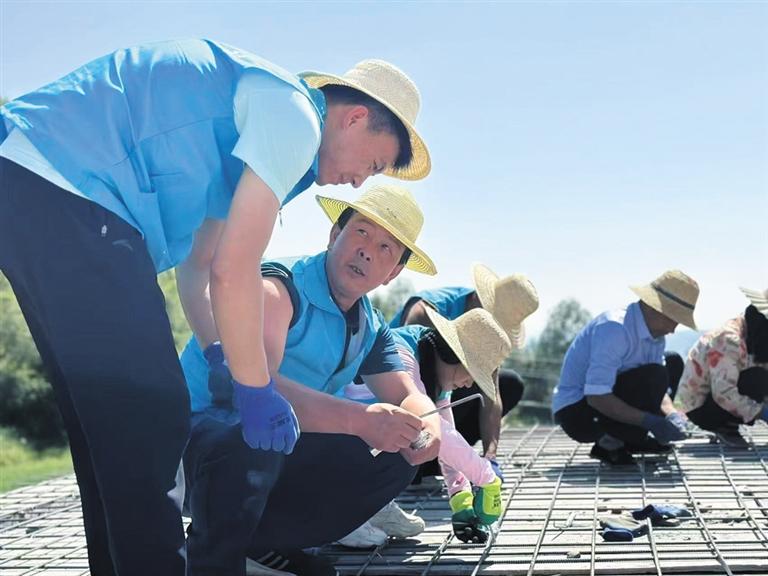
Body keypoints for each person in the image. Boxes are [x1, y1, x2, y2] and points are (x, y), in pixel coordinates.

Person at [0, 39, 429, 576]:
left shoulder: (248, 136)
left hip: (29, 184)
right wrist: (255, 389)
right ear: (355, 118)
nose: (361, 180)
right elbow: (235, 269)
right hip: (72, 190)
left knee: (107, 427)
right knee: (153, 418)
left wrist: (218, 351)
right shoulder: (295, 117)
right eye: (373, 162)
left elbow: (200, 266)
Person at [180, 184, 442, 576]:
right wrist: (359, 420)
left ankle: (259, 546)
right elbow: (255, 388)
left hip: (264, 454)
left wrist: (429, 426)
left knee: (399, 453)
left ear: (394, 273)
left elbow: (407, 395)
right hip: (195, 447)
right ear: (335, 235)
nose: (368, 251)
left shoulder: (370, 325)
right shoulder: (280, 287)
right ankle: (210, 555)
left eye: (386, 248)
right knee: (261, 428)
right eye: (361, 232)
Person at [340, 307, 511, 547]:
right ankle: (344, 515)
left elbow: (446, 432)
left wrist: (461, 498)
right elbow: (428, 426)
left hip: (354, 444)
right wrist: (487, 479)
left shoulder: (434, 362)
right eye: (472, 372)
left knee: (415, 441)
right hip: (331, 443)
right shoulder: (403, 356)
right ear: (454, 354)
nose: (470, 384)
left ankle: (375, 506)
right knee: (413, 439)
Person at [390, 265, 539, 478]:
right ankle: (418, 460)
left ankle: (442, 460)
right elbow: (402, 382)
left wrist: (490, 458)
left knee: (509, 384)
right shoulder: (427, 310)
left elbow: (492, 395)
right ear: (478, 298)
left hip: (443, 396)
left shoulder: (486, 338)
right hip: (404, 397)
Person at [552, 270, 698, 465]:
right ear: (655, 308)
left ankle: (631, 440)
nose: (673, 329)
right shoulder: (614, 329)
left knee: (671, 363)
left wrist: (672, 414)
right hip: (579, 414)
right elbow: (596, 397)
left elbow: (659, 390)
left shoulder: (655, 337)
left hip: (604, 403)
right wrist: (650, 421)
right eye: (674, 319)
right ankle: (609, 443)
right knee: (655, 374)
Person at [676, 287, 768, 446]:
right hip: (699, 408)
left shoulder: (752, 335)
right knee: (757, 378)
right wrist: (762, 412)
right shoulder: (729, 339)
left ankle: (729, 423)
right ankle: (724, 426)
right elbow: (723, 393)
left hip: (716, 400)